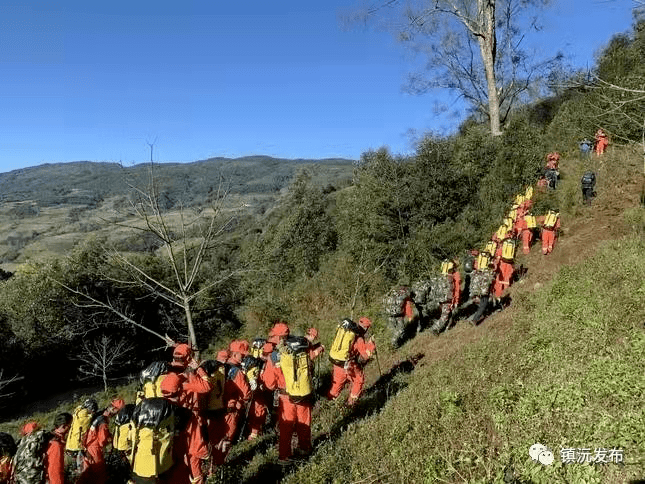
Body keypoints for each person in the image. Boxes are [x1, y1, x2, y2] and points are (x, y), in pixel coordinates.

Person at [262, 329, 324, 464]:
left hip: (285, 398)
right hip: (303, 393)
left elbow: (270, 384)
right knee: (304, 423)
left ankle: (284, 456)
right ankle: (305, 449)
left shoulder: (274, 357)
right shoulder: (302, 348)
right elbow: (312, 357)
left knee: (286, 427)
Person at [160, 349, 213, 484]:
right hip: (190, 420)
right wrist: (198, 370)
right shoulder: (186, 379)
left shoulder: (165, 376)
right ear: (188, 358)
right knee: (192, 458)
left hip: (170, 429)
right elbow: (206, 387)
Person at [326, 317, 376, 407]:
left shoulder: (348, 332)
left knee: (336, 385)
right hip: (349, 365)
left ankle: (328, 404)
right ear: (366, 328)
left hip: (338, 364)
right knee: (358, 380)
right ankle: (351, 404)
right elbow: (365, 355)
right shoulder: (359, 338)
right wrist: (371, 344)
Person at [77, 399, 126, 484]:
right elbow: (102, 441)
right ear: (114, 410)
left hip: (87, 447)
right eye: (118, 411)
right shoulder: (103, 422)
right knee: (99, 474)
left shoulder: (98, 415)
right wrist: (111, 439)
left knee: (86, 474)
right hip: (95, 450)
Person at [430, 260, 461, 335]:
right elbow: (457, 289)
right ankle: (435, 328)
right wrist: (456, 300)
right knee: (445, 315)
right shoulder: (455, 275)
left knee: (446, 313)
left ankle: (447, 327)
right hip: (448, 298)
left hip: (440, 297)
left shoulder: (442, 274)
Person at [44, 413, 73, 484]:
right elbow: (55, 471)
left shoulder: (51, 437)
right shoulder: (56, 445)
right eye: (70, 426)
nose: (71, 429)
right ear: (64, 426)